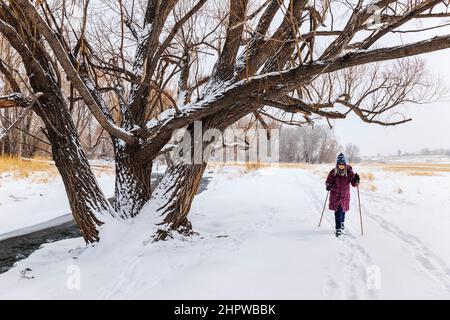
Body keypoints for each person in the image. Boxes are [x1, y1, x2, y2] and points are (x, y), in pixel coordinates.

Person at [325, 153, 360, 237]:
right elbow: (328, 181)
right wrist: (328, 186)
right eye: (339, 164)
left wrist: (356, 180)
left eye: (342, 164)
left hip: (345, 195)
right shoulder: (333, 172)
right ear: (337, 164)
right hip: (335, 195)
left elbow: (354, 184)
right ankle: (338, 229)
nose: (341, 166)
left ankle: (342, 222)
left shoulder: (349, 172)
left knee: (343, 210)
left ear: (345, 164)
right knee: (338, 211)